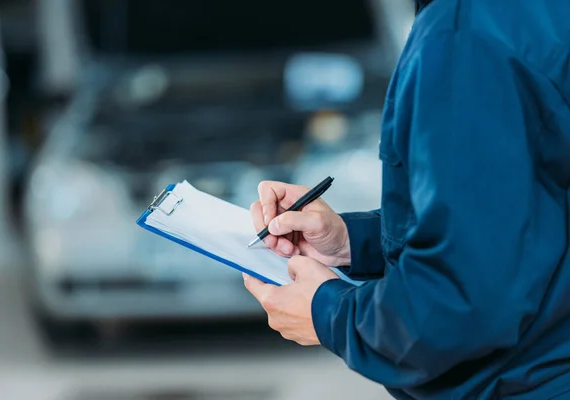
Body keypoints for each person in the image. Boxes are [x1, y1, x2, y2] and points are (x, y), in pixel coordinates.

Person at [242, 0, 570, 398]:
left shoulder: (465, 36)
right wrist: (353, 240)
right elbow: (520, 218)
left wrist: (327, 312)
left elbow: (457, 306)